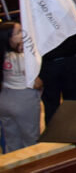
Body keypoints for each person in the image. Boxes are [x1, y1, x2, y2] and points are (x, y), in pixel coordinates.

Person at [0, 22, 42, 152]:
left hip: (4, 99)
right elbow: (36, 83)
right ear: (9, 38)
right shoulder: (23, 58)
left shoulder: (3, 55)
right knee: (31, 139)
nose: (22, 34)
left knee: (11, 140)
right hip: (24, 100)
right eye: (18, 32)